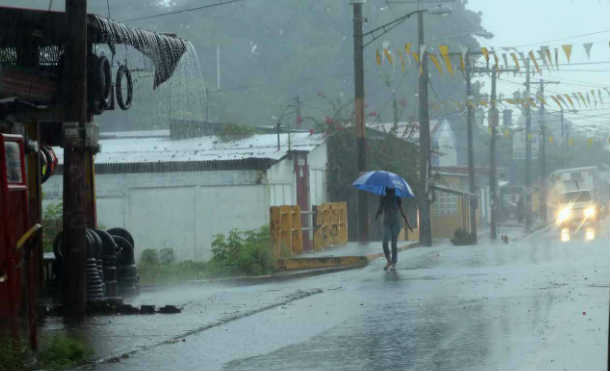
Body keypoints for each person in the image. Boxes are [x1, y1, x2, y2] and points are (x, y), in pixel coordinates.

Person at [375, 187, 413, 271]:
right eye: (389, 191)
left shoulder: (397, 198)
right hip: (386, 223)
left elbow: (401, 210)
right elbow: (380, 209)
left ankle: (394, 262)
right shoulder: (383, 197)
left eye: (391, 191)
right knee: (385, 242)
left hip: (396, 223)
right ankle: (389, 260)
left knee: (393, 243)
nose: (390, 193)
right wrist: (378, 213)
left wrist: (408, 224)